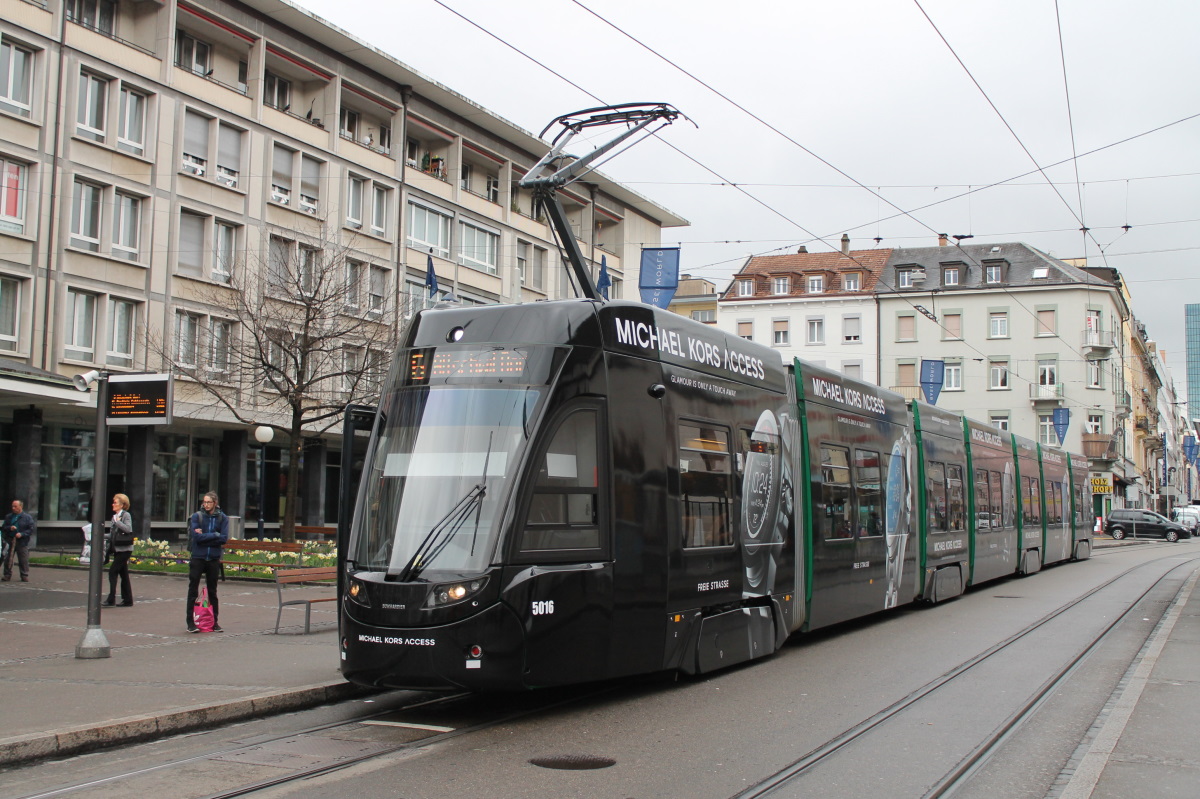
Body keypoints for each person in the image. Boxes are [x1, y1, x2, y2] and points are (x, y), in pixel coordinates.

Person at [185, 491, 229, 633]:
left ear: (215, 503)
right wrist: (213, 535)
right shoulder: (197, 517)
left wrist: (205, 535)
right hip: (198, 557)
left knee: (212, 591)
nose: (206, 505)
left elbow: (223, 538)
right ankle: (190, 622)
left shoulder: (223, 518)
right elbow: (196, 538)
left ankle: (214, 622)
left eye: (209, 502)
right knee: (193, 590)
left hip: (213, 559)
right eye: (204, 502)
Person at [104, 494, 135, 606]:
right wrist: (100, 535)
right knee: (123, 574)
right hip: (117, 549)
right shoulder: (114, 517)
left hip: (125, 549)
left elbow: (128, 529)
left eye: (115, 502)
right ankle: (128, 600)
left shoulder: (126, 515)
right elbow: (113, 535)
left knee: (113, 571)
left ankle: (111, 599)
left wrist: (117, 522)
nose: (113, 504)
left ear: (122, 505)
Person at [2, 499, 34, 582]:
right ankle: (7, 574)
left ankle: (24, 575)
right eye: (12, 506)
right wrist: (10, 528)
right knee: (8, 558)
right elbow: (4, 527)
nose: (13, 508)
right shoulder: (9, 517)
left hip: (22, 541)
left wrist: (22, 534)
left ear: (21, 506)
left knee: (23, 559)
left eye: (15, 506)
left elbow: (30, 529)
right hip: (10, 540)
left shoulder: (27, 517)